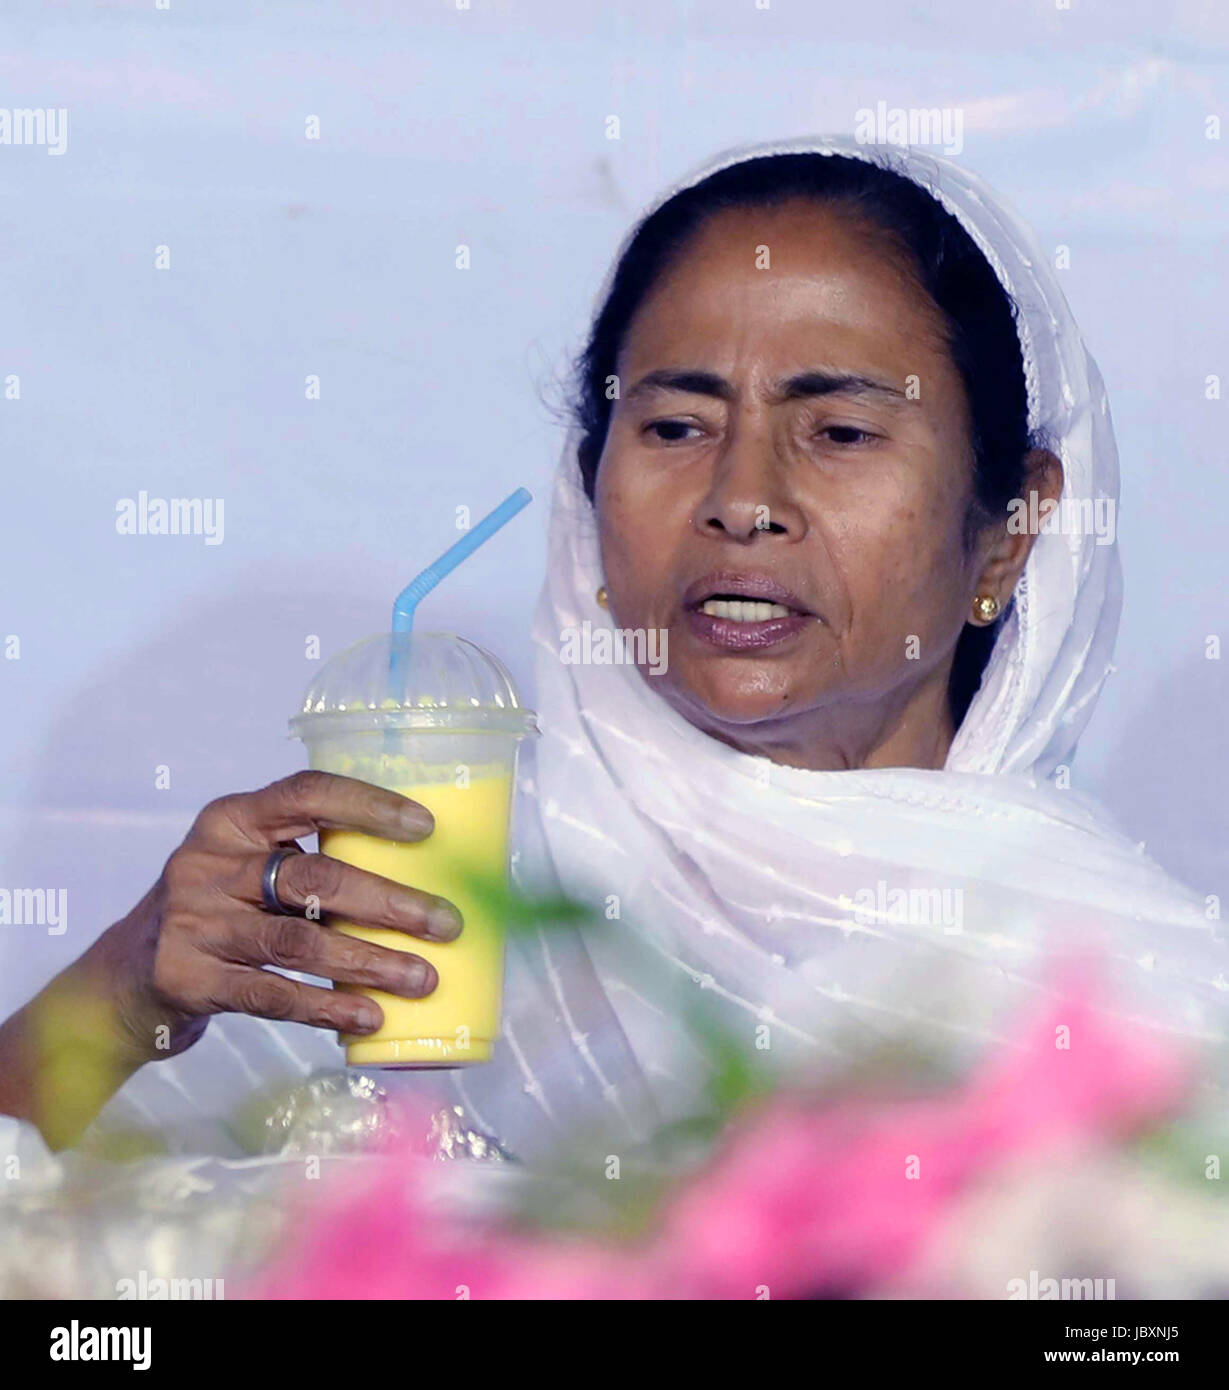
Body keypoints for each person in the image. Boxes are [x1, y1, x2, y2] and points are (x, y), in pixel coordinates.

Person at [2, 135, 1224, 1163]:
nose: (741, 497)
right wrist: (125, 995)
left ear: (1007, 535)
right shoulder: (421, 905)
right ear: (590, 499)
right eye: (677, 424)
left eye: (840, 430)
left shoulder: (1140, 1001)